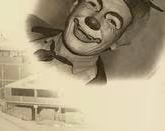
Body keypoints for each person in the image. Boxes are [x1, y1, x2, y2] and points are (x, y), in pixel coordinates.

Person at [27, 0, 164, 85]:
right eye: (92, 4)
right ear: (74, 6)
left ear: (118, 41)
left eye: (112, 21)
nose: (93, 21)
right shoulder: (25, 26)